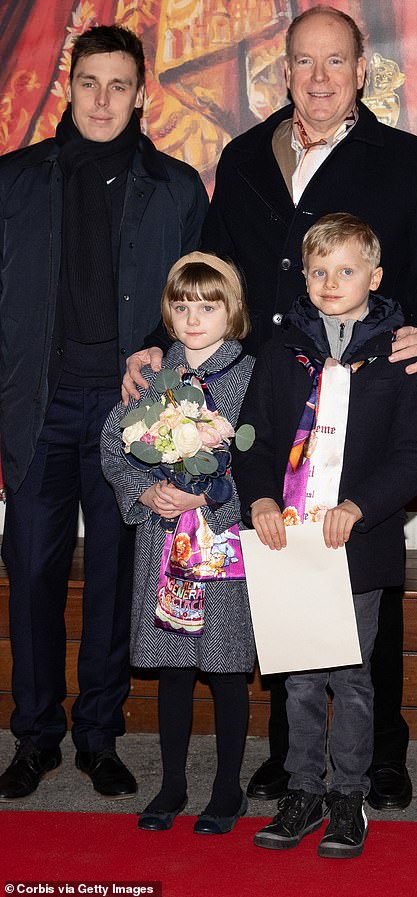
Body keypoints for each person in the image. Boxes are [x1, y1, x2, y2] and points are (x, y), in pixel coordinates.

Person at [124, 4, 417, 810]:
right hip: (273, 391)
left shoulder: (406, 160)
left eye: (334, 63)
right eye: (303, 63)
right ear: (284, 71)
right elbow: (206, 263)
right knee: (280, 566)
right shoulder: (244, 156)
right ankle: (290, 752)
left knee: (360, 564)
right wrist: (152, 339)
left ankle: (380, 751)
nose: (317, 78)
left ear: (361, 72)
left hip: (366, 394)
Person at [0, 25, 208, 802]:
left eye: (119, 85)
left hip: (130, 415)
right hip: (38, 410)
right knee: (31, 575)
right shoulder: (13, 183)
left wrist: (157, 349)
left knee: (118, 578)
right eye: (89, 82)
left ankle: (98, 735)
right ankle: (35, 736)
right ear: (67, 85)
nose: (102, 99)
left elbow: (202, 304)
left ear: (140, 94)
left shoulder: (179, 188)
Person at [232, 213, 417, 857]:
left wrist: (359, 506)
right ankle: (303, 790)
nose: (330, 282)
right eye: (318, 271)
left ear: (374, 278)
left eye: (346, 271)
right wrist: (260, 497)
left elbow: (415, 459)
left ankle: (348, 797)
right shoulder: (280, 353)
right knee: (296, 679)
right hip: (289, 545)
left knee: (349, 677)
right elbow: (252, 440)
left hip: (357, 546)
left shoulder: (398, 358)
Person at [101, 252, 255, 833]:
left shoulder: (247, 372)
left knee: (223, 665)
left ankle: (226, 790)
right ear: (167, 312)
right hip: (163, 539)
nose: (194, 319)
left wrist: (208, 495)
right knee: (172, 667)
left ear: (231, 311)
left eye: (208, 308)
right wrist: (146, 492)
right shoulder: (152, 374)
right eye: (183, 307)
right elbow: (113, 443)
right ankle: (170, 786)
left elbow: (256, 455)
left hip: (218, 539)